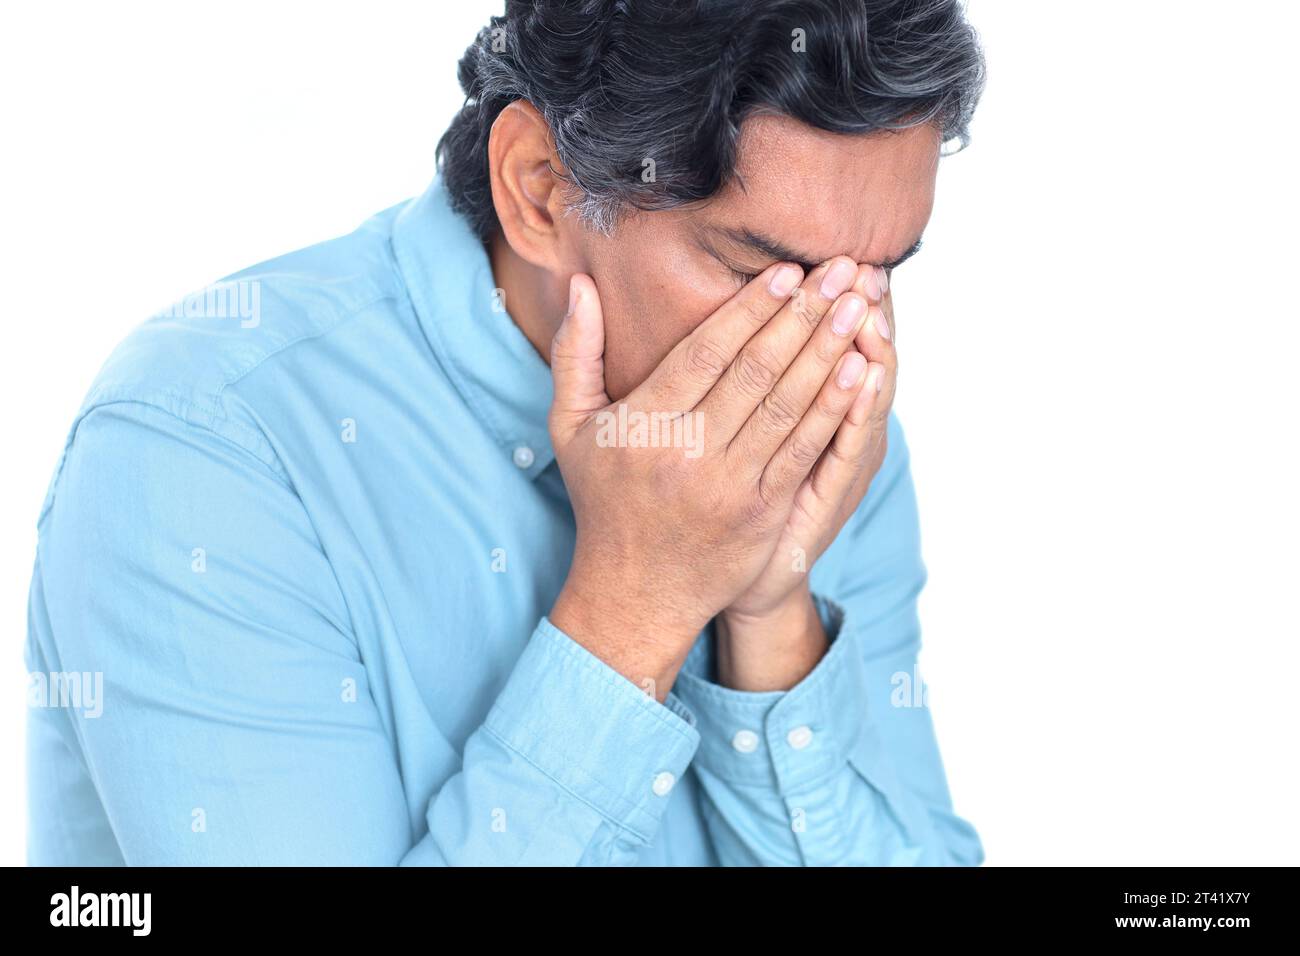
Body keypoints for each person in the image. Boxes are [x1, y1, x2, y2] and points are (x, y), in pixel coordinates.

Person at [26, 0, 986, 865]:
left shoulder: (831, 437)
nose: (837, 348)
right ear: (538, 189)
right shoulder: (205, 451)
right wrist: (636, 608)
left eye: (880, 274)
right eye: (761, 274)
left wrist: (770, 614)